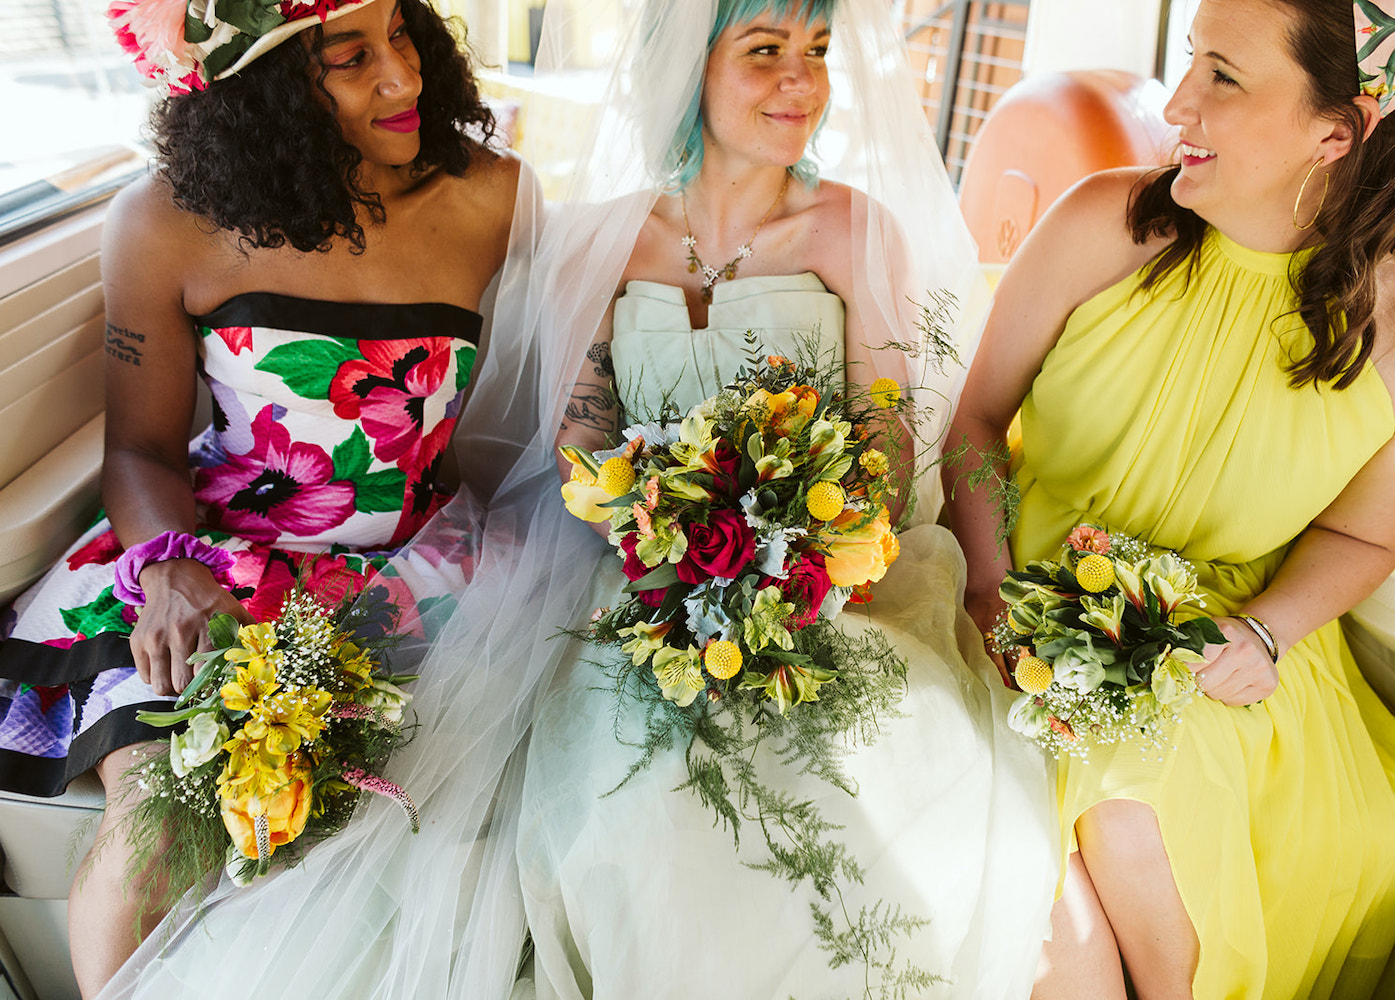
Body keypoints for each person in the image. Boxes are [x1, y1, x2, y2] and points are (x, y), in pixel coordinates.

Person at [943, 0, 1395, 997]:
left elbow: (1362, 533)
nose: (1179, 101)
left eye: (1225, 76)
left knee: (1146, 780)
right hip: (1018, 592)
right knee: (1085, 845)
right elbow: (978, 423)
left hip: (1225, 637)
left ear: (1341, 130)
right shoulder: (1103, 221)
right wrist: (989, 588)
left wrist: (1268, 633)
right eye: (1191, 58)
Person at [514, 0, 1057, 996]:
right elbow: (584, 441)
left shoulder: (852, 229)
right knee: (642, 804)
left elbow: (888, 441)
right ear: (688, 71)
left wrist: (799, 558)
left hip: (836, 589)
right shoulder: (604, 239)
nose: (801, 82)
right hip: (647, 591)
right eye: (765, 53)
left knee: (842, 791)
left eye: (813, 53)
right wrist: (667, 551)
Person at [0, 0, 524, 994]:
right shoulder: (162, 222)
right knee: (156, 802)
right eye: (352, 56)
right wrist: (171, 571)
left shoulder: (491, 197)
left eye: (405, 34)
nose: (403, 77)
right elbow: (143, 450)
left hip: (418, 569)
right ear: (262, 90)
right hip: (209, 558)